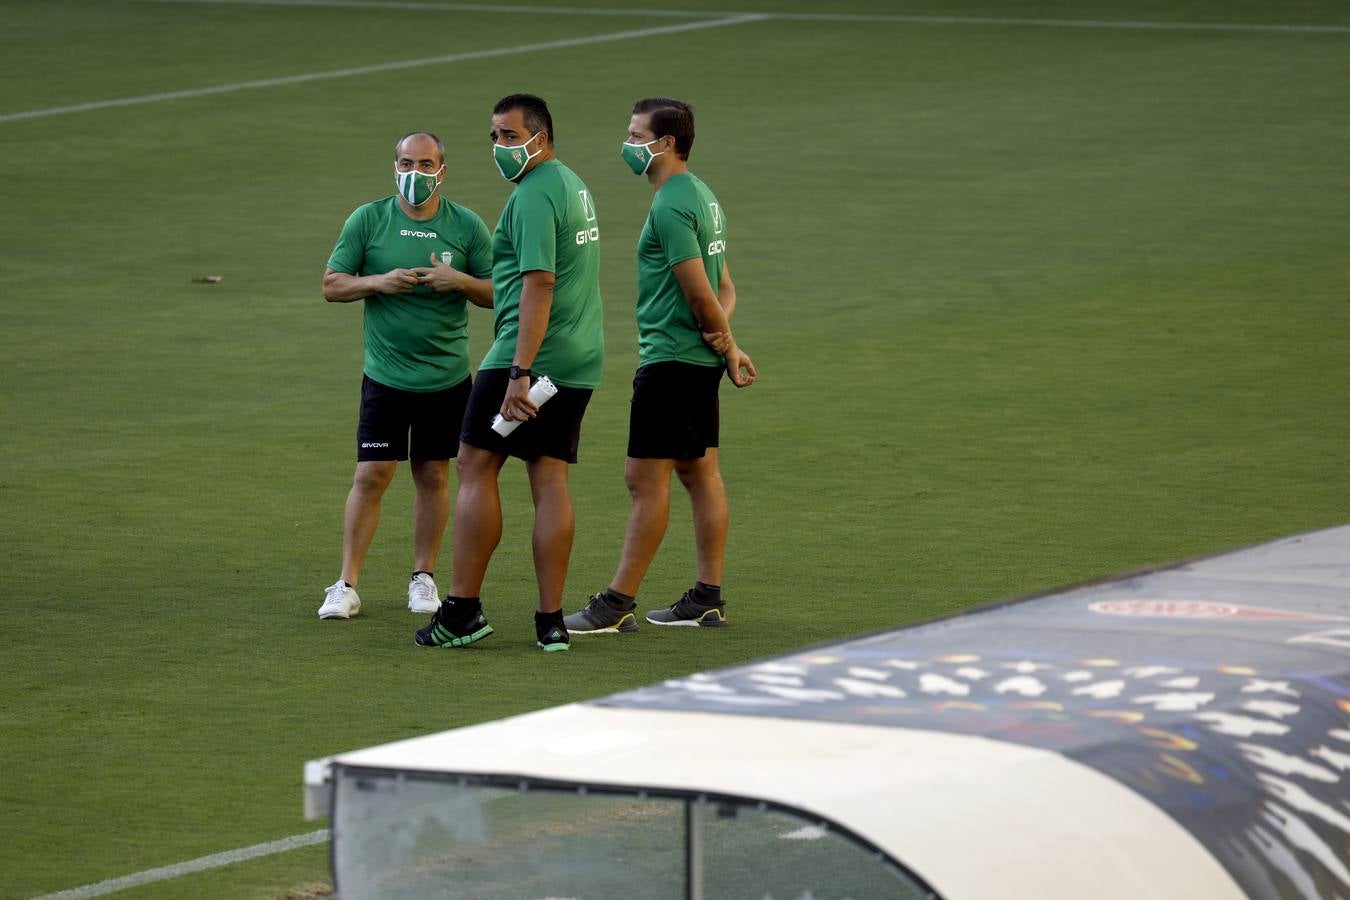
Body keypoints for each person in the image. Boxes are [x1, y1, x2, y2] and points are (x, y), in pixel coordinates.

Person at [415, 94, 604, 653]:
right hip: (579, 356)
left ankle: (462, 612)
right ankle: (551, 623)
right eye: (493, 135)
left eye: (507, 134)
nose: (498, 146)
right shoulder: (573, 185)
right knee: (549, 478)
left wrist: (518, 371)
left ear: (538, 137)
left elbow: (538, 283)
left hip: (527, 356)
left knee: (475, 464)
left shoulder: (533, 196)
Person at [565, 98, 755, 637]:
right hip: (696, 362)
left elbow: (702, 294)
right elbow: (726, 287)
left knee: (644, 479)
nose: (626, 144)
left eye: (634, 134)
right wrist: (726, 344)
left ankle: (617, 603)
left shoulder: (671, 205)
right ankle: (707, 597)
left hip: (670, 361)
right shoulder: (704, 197)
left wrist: (721, 336)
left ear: (666, 142)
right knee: (701, 473)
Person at [317, 131, 493, 620]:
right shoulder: (369, 219)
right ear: (394, 166)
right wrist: (380, 282)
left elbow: (501, 290)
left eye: (426, 164)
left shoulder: (467, 226)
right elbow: (332, 285)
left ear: (443, 170)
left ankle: (423, 578)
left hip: (447, 378)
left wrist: (457, 281)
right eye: (406, 163)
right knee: (371, 475)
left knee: (433, 474)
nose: (416, 174)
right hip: (386, 378)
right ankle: (347, 583)